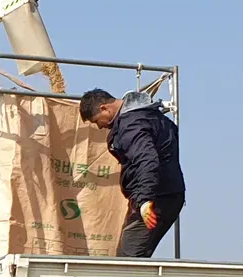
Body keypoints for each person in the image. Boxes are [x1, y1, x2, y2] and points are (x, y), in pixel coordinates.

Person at [79, 88, 185, 258]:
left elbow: (146, 160)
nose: (100, 126)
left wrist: (144, 200)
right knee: (135, 255)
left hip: (156, 198)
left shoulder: (131, 124)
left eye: (97, 121)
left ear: (104, 108)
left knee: (128, 259)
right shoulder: (153, 116)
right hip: (166, 194)